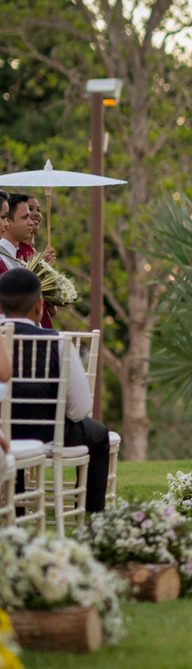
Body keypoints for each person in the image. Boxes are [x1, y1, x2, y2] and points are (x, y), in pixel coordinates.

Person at [0, 269, 107, 513]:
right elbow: (80, 409)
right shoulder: (57, 341)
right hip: (48, 434)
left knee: (9, 434)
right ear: (40, 305)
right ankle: (93, 523)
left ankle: (14, 516)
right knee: (99, 435)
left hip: (3, 437)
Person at [0, 193, 53, 329]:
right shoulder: (3, 258)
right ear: (9, 222)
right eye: (25, 217)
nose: (31, 222)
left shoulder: (19, 256)